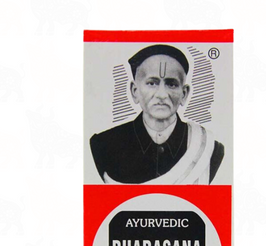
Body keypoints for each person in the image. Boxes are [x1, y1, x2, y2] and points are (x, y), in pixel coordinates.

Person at [90, 44, 224, 184]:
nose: (161, 94)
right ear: (134, 91)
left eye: (171, 84)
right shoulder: (103, 145)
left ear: (184, 94)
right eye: (152, 83)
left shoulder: (209, 149)